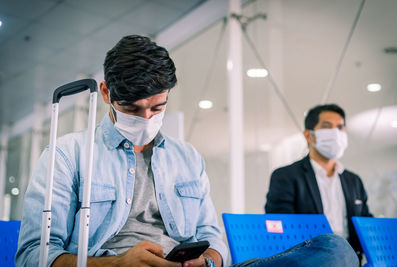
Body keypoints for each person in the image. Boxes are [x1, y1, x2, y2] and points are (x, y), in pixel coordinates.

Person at [16, 36, 358, 267]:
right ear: (106, 93)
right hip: (114, 264)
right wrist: (117, 264)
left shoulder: (187, 158)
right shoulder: (67, 155)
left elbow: (212, 237)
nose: (147, 119)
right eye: (133, 109)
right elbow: (33, 255)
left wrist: (208, 258)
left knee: (334, 250)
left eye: (158, 107)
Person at [265, 104, 373, 261]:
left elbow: (366, 224)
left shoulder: (353, 181)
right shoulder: (286, 176)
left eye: (340, 127)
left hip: (351, 260)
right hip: (307, 260)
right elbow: (281, 226)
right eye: (327, 127)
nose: (336, 133)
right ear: (309, 136)